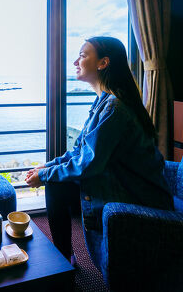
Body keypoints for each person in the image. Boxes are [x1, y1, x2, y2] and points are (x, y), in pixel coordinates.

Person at [25, 36, 174, 268]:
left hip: (137, 196)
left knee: (54, 183)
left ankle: (63, 259)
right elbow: (79, 149)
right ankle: (64, 257)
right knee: (55, 182)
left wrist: (44, 176)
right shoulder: (103, 103)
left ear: (103, 63)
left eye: (83, 55)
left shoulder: (114, 108)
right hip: (120, 181)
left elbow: (89, 163)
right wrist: (47, 166)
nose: (76, 61)